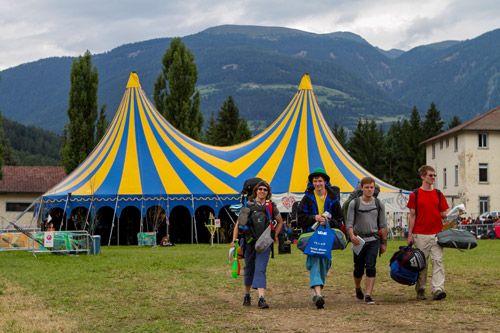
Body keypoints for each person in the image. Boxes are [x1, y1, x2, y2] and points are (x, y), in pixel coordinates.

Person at [230, 180, 283, 309]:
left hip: (264, 243)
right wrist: (234, 241)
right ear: (256, 191)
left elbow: (280, 221)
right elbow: (239, 224)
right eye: (260, 189)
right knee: (249, 269)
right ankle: (247, 295)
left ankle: (261, 298)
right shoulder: (248, 206)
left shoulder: (271, 206)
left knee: (260, 268)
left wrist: (274, 235)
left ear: (268, 192)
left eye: (265, 190)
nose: (262, 191)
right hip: (249, 242)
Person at [297, 168, 343, 309]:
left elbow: (339, 220)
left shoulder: (333, 198)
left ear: (325, 182)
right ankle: (318, 294)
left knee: (325, 262)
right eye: (315, 181)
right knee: (316, 259)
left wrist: (327, 222)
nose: (317, 183)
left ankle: (317, 291)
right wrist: (314, 218)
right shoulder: (307, 198)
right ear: (312, 183)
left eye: (320, 180)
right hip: (312, 236)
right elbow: (300, 219)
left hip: (327, 236)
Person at [407, 165, 449, 301]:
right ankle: (421, 288)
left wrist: (454, 213)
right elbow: (412, 215)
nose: (433, 178)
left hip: (437, 234)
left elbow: (444, 214)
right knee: (421, 263)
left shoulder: (438, 194)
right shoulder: (415, 194)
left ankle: (438, 289)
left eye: (434, 175)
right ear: (423, 177)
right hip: (420, 234)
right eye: (430, 175)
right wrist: (410, 234)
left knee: (438, 261)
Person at [346, 177, 388, 305]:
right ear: (362, 188)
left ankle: (368, 294)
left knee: (371, 266)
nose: (370, 190)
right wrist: (352, 237)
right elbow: (349, 224)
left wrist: (384, 243)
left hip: (373, 240)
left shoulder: (378, 204)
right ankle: (358, 287)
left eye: (372, 187)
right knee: (358, 268)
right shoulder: (354, 203)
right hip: (359, 240)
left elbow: (383, 225)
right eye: (367, 187)